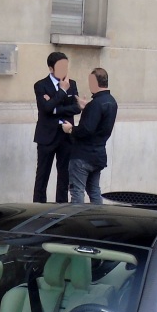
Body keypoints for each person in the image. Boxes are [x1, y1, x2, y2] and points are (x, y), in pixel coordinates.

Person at [32, 52, 83, 202]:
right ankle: (38, 210)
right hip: (46, 136)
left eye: (66, 66)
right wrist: (61, 92)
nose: (64, 70)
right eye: (60, 66)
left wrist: (54, 107)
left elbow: (77, 108)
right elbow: (45, 108)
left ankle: (61, 210)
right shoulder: (41, 85)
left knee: (64, 177)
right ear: (51, 68)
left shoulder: (72, 84)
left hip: (66, 136)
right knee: (42, 176)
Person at [62, 67, 117, 204]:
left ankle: (78, 222)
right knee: (94, 191)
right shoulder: (112, 101)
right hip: (98, 154)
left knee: (77, 191)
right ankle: (99, 220)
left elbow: (86, 130)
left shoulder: (96, 104)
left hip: (83, 156)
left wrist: (70, 129)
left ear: (94, 82)